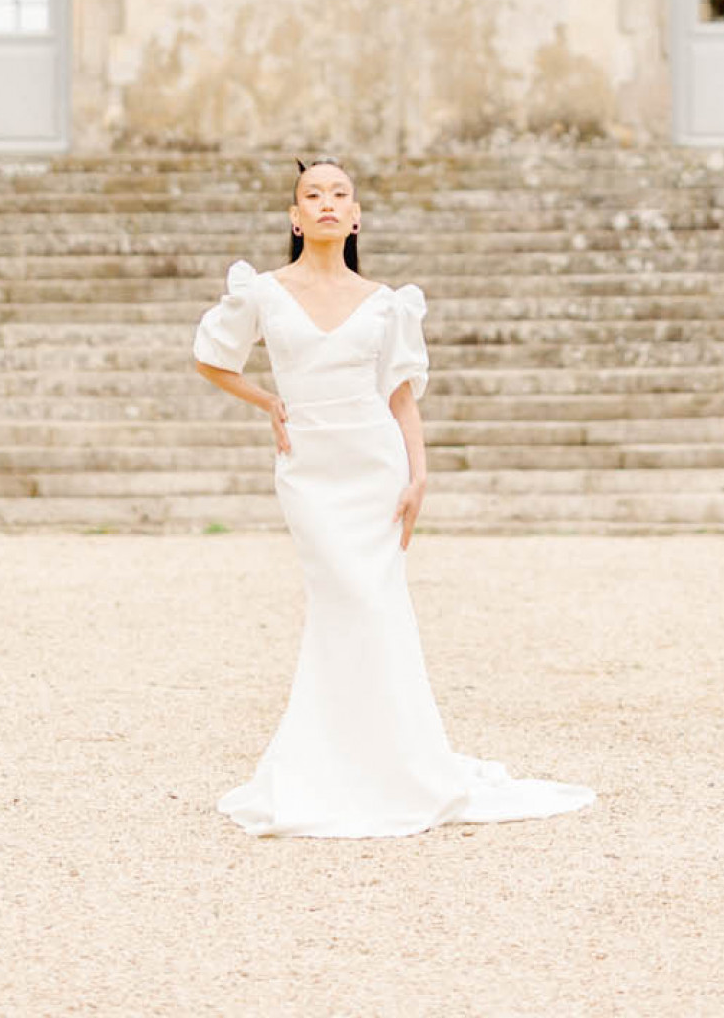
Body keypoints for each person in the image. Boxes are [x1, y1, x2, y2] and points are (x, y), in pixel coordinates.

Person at [192, 156, 597, 839]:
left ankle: (395, 763)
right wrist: (266, 399)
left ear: (356, 216)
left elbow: (401, 396)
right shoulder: (262, 291)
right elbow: (212, 355)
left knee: (377, 605)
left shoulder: (386, 302)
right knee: (340, 600)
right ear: (295, 217)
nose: (327, 202)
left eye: (340, 193)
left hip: (374, 467)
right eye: (312, 194)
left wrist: (419, 474)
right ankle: (327, 762)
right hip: (311, 470)